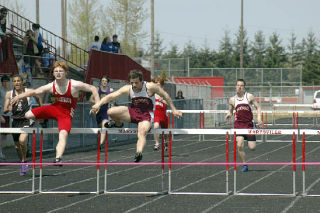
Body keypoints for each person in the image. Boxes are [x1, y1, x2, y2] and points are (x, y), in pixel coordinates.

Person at [11, 61, 100, 165]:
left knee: (63, 135)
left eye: (61, 71)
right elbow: (35, 92)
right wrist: (18, 96)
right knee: (28, 115)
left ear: (66, 73)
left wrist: (98, 103)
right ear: (53, 73)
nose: (58, 73)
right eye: (56, 71)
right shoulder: (51, 85)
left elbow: (93, 88)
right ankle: (43, 120)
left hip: (66, 115)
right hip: (54, 109)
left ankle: (58, 158)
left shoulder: (74, 84)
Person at [91, 69, 182, 162]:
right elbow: (111, 96)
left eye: (136, 83)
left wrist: (174, 109)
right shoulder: (128, 88)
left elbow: (165, 95)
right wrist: (98, 104)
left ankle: (139, 153)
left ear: (142, 81)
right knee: (110, 111)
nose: (134, 85)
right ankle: (118, 123)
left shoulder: (150, 87)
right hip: (133, 112)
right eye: (132, 82)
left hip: (146, 115)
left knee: (141, 132)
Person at [4, 75, 42, 175]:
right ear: (13, 83)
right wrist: (9, 108)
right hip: (15, 121)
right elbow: (5, 109)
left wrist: (41, 109)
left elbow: (38, 97)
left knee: (22, 140)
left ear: (22, 82)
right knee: (17, 147)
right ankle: (23, 163)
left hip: (26, 120)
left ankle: (24, 161)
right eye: (15, 81)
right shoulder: (9, 94)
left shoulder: (28, 91)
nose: (17, 83)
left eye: (18, 81)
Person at [225, 79, 263, 172]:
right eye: (238, 85)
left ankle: (248, 138)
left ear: (244, 87)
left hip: (249, 124)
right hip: (239, 125)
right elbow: (230, 110)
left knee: (252, 147)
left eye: (241, 85)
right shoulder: (232, 100)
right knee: (239, 145)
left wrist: (259, 119)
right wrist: (228, 114)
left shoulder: (249, 96)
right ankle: (244, 164)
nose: (239, 87)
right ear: (235, 86)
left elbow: (258, 107)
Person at [89, 76, 113, 146]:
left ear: (107, 82)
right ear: (101, 82)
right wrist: (98, 102)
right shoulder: (97, 89)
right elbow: (90, 99)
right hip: (98, 111)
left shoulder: (110, 90)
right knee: (100, 128)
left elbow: (112, 101)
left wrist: (112, 105)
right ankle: (99, 143)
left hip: (105, 111)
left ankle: (100, 143)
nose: (104, 82)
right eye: (103, 81)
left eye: (105, 81)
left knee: (104, 125)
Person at [152, 77, 168, 151]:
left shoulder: (164, 94)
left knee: (165, 132)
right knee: (156, 126)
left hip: (164, 115)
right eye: (156, 84)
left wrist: (163, 100)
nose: (158, 86)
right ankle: (157, 143)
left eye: (159, 85)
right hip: (156, 115)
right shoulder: (151, 94)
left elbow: (169, 103)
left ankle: (165, 142)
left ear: (162, 86)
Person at [0, 75, 10, 159]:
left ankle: (1, 152)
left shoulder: (10, 91)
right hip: (2, 115)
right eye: (5, 81)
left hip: (8, 115)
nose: (6, 83)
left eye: (7, 81)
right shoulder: (0, 91)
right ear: (2, 82)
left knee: (4, 135)